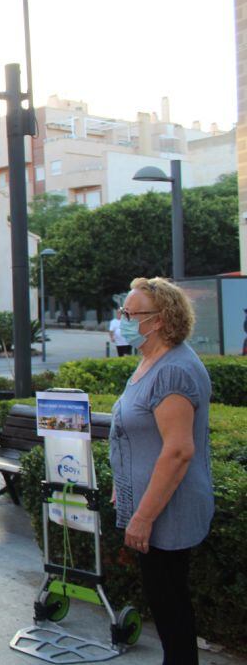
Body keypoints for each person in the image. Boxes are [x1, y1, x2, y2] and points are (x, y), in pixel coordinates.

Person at [109, 277, 213, 665]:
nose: (123, 320)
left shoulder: (174, 371)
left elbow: (178, 451)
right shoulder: (150, 360)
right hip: (152, 503)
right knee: (164, 602)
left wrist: (143, 516)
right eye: (124, 312)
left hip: (167, 508)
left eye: (130, 314)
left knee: (170, 605)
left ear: (158, 320)